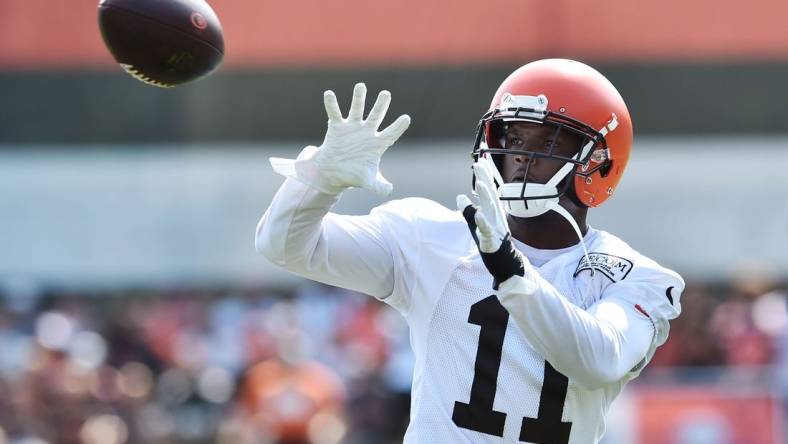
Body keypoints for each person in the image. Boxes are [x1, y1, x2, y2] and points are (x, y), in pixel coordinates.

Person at [255, 59, 684, 444]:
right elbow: (286, 247)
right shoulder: (430, 236)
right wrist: (319, 180)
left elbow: (598, 361)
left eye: (547, 142)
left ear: (600, 162)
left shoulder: (633, 275)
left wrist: (511, 271)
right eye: (513, 137)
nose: (520, 156)